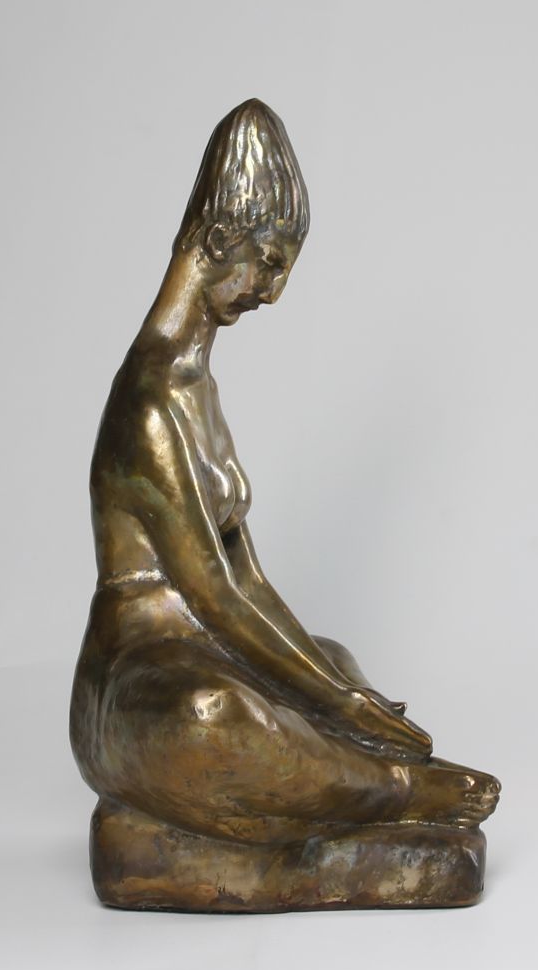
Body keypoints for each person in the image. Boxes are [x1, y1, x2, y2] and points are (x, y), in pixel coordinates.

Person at [70, 99, 499, 845]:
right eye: (268, 263)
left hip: (200, 646)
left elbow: (249, 581)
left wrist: (337, 691)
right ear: (217, 239)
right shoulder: (149, 402)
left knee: (332, 656)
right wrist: (338, 706)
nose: (272, 292)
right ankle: (391, 791)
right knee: (216, 715)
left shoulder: (197, 387)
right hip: (136, 683)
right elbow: (211, 595)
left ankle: (335, 771)